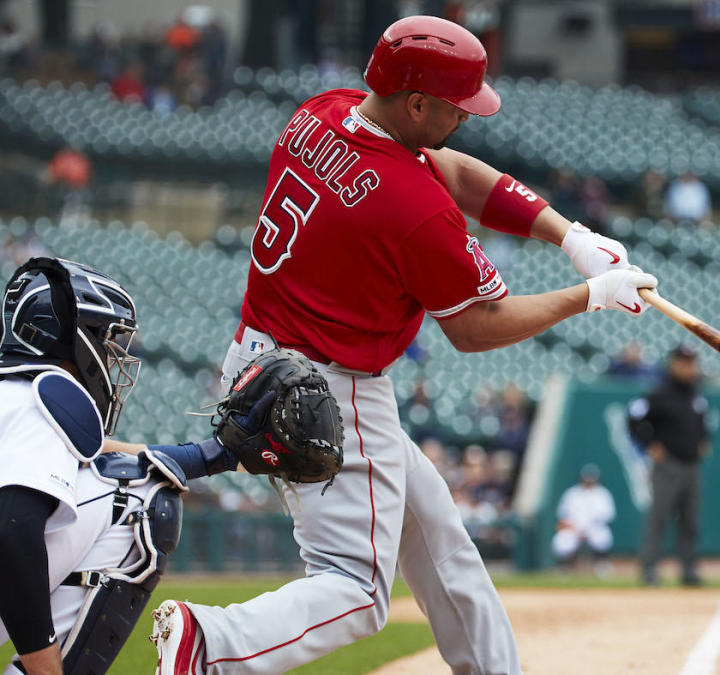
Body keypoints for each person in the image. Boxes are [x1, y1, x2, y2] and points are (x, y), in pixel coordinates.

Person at [150, 16, 656, 675]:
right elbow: (476, 326)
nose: (465, 119)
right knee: (356, 589)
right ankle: (210, 644)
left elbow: (453, 169)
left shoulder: (323, 113)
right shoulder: (412, 207)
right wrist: (587, 296)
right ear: (416, 102)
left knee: (436, 530)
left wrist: (569, 237)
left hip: (259, 357)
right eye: (455, 107)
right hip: (329, 387)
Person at [0, 257, 248, 674]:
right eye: (106, 337)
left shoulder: (16, 398)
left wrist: (209, 456)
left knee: (121, 471)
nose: (114, 354)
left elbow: (95, 450)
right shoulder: (38, 402)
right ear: (74, 338)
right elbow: (12, 529)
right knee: (138, 497)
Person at [629, 344, 709, 587]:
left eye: (691, 362)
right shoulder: (660, 394)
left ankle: (689, 570)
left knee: (690, 521)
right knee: (659, 517)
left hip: (691, 465)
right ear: (673, 364)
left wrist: (705, 440)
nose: (688, 367)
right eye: (684, 362)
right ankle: (649, 569)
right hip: (669, 466)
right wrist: (650, 444)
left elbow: (701, 423)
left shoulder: (695, 395)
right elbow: (633, 417)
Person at [552, 464, 616, 574]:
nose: (589, 480)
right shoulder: (571, 493)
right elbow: (562, 515)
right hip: (574, 528)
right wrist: (571, 527)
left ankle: (601, 564)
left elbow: (609, 515)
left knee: (603, 536)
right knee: (562, 539)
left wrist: (589, 528)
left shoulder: (602, 493)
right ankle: (564, 566)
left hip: (594, 528)